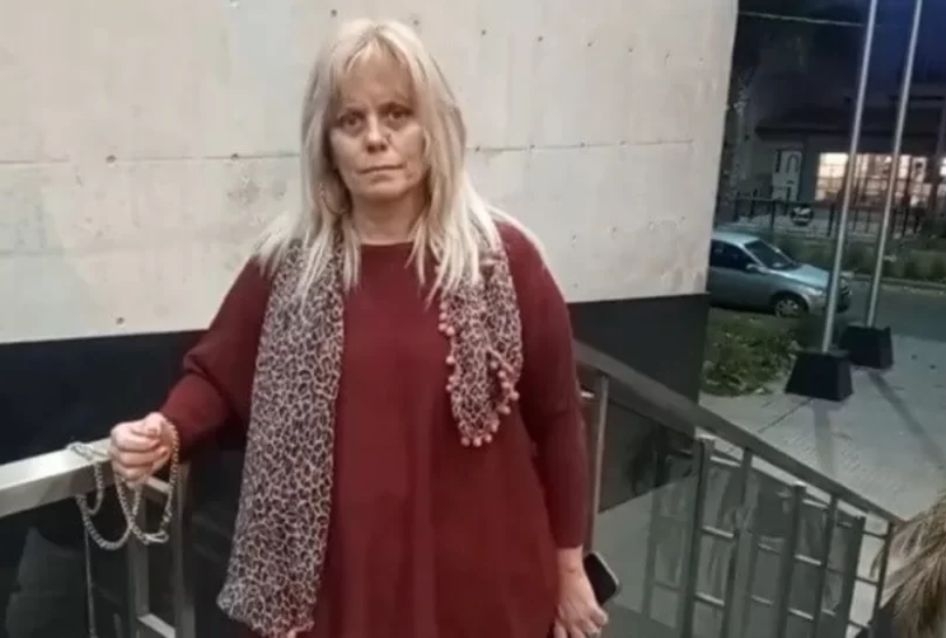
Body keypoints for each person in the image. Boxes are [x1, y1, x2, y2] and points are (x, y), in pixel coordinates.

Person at [107, 18, 607, 638]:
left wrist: (569, 568)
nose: (376, 139)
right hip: (336, 587)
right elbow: (215, 374)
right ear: (327, 144)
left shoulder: (502, 263)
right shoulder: (287, 267)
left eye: (397, 114)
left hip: (481, 586)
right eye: (351, 121)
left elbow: (558, 419)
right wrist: (165, 428)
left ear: (432, 128)